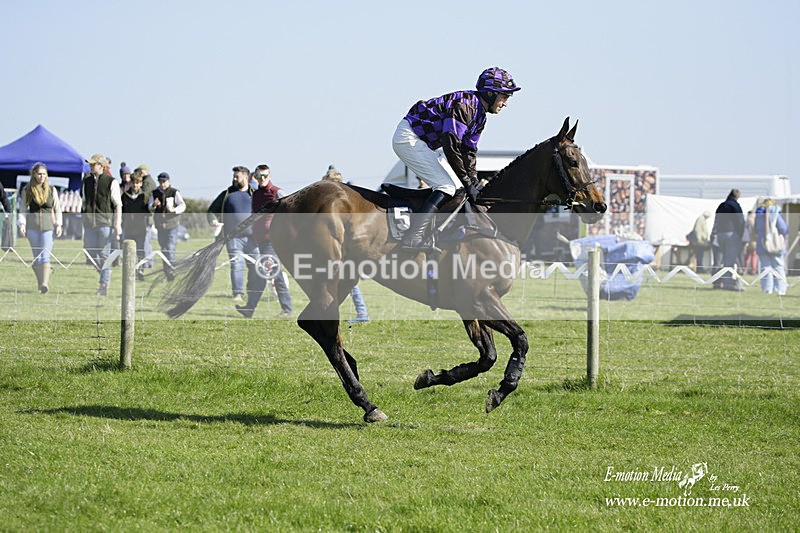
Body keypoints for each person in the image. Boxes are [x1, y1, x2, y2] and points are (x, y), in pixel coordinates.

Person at [392, 67, 521, 250]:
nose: (506, 103)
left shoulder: (480, 116)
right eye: (505, 96)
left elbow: (468, 152)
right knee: (446, 186)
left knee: (459, 190)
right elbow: (451, 146)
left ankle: (436, 233)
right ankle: (413, 237)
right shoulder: (465, 106)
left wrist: (473, 182)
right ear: (491, 93)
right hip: (409, 138)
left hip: (426, 144)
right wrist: (468, 181)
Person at [235, 164, 293, 318]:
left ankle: (281, 309)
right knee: (270, 273)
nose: (262, 179)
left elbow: (290, 210)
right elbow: (254, 215)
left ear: (270, 176)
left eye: (265, 176)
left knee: (267, 272)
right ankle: (254, 308)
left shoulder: (277, 192)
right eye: (259, 176)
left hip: (273, 240)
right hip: (260, 239)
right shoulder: (255, 195)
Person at [321, 165, 370, 322]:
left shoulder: (339, 205)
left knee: (347, 282)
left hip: (344, 251)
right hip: (344, 250)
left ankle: (361, 312)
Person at [208, 166, 258, 303]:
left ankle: (253, 291)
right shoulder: (227, 194)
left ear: (246, 177)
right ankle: (238, 294)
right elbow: (211, 211)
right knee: (237, 264)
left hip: (254, 237)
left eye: (237, 176)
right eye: (234, 176)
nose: (234, 179)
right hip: (233, 237)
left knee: (255, 266)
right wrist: (212, 219)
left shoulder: (255, 193)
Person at [17, 163, 63, 293]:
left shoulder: (52, 189)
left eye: (44, 174)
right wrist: (22, 224)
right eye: (39, 173)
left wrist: (59, 224)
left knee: (45, 256)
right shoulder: (27, 190)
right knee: (37, 258)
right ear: (34, 174)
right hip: (32, 227)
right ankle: (40, 284)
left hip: (48, 227)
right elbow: (22, 209)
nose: (41, 176)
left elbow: (57, 208)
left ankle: (45, 284)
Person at [81, 153, 122, 296]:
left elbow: (118, 204)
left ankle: (103, 284)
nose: (91, 166)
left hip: (105, 222)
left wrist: (117, 224)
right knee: (90, 252)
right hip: (89, 223)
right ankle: (105, 272)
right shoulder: (86, 181)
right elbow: (84, 201)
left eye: (93, 164)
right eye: (90, 164)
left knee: (104, 254)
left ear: (102, 166)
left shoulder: (112, 181)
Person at [151, 172, 186, 281]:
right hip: (160, 225)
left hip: (172, 225)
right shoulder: (154, 193)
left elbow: (182, 205)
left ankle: (171, 270)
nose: (162, 184)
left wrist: (175, 210)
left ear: (169, 181)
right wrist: (154, 205)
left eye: (164, 181)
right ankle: (167, 271)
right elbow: (149, 206)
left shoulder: (174, 192)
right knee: (164, 249)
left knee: (170, 248)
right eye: (160, 181)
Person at [711, 189, 745, 291]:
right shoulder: (735, 206)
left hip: (720, 235)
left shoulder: (721, 205)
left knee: (724, 260)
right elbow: (740, 221)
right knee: (730, 260)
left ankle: (718, 281)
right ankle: (728, 283)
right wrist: (740, 234)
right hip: (732, 234)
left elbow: (716, 220)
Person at [121, 173, 152, 281]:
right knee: (129, 251)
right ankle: (131, 271)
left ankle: (140, 270)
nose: (135, 185)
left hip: (141, 228)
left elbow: (149, 212)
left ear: (141, 184)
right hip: (128, 227)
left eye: (138, 183)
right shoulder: (124, 196)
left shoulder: (145, 197)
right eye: (133, 183)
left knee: (141, 250)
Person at [754, 198, 789, 295]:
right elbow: (783, 228)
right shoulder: (775, 212)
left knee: (766, 267)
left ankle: (767, 289)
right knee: (778, 266)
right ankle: (780, 289)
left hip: (763, 242)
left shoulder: (758, 214)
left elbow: (756, 229)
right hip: (776, 243)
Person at [134, 164, 157, 270]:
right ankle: (149, 262)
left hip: (146, 217)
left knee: (145, 242)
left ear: (143, 172)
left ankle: (147, 263)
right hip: (148, 217)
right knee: (146, 241)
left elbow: (145, 198)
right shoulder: (150, 181)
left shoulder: (147, 183)